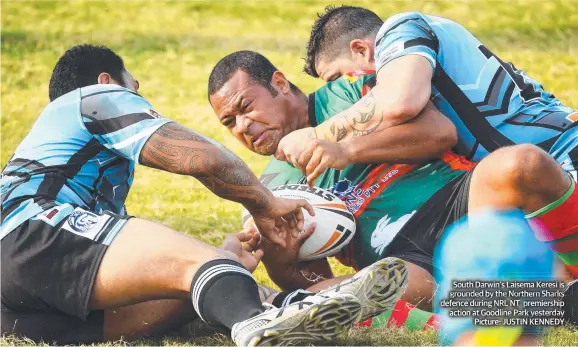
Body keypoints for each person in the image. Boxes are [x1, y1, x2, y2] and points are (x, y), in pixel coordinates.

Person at [0, 44, 367, 346]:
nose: (138, 98)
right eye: (135, 88)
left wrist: (225, 260)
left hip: (18, 302)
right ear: (107, 80)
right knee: (199, 263)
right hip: (28, 232)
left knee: (190, 285)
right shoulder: (96, 97)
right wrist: (264, 204)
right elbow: (201, 158)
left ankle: (289, 305)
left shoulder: (74, 173)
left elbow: (152, 274)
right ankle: (258, 323)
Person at [207, 51, 577, 320]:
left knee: (523, 163)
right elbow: (313, 280)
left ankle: (532, 290)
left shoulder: (352, 91)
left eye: (246, 107)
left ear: (280, 84)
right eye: (230, 122)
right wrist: (283, 258)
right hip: (398, 259)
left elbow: (439, 132)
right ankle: (548, 301)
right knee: (355, 292)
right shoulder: (269, 188)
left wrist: (346, 149)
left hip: (459, 199)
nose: (243, 126)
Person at [276, 6, 578, 277]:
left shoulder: (403, 27)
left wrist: (320, 135)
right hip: (541, 181)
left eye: (340, 77)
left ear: (361, 49)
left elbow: (400, 101)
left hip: (564, 154)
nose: (348, 89)